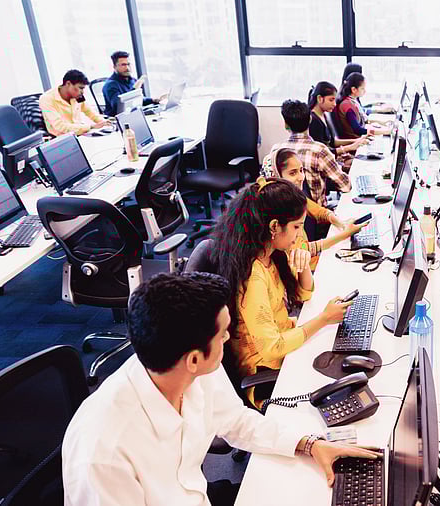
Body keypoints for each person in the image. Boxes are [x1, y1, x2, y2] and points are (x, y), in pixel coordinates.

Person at [61, 272, 379, 506]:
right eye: (224, 334)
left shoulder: (190, 372)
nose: (229, 340)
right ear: (195, 358)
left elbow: (236, 421)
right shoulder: (102, 453)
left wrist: (310, 445)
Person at [211, 178, 353, 408]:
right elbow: (272, 348)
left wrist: (304, 265)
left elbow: (303, 295)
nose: (300, 234)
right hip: (267, 373)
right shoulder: (253, 275)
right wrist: (324, 319)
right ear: (275, 226)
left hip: (285, 345)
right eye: (297, 226)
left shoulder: (270, 252)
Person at [268, 148, 369, 271]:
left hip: (310, 261)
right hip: (301, 269)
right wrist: (345, 234)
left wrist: (341, 224)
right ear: (277, 175)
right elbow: (304, 249)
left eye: (301, 170)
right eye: (293, 173)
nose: (301, 177)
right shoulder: (277, 208)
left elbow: (321, 212)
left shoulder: (295, 197)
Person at [262, 100, 351, 207]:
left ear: (285, 124)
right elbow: (345, 186)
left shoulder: (276, 151)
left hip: (287, 216)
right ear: (310, 120)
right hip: (317, 216)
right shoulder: (319, 150)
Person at [308, 81, 369, 165]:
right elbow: (322, 153)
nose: (334, 104)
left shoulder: (324, 115)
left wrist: (357, 141)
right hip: (324, 163)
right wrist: (349, 147)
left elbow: (333, 142)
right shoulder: (314, 121)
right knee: (361, 163)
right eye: (331, 100)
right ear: (319, 99)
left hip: (332, 158)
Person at [39, 69, 109, 136]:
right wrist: (91, 127)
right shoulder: (47, 99)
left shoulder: (77, 96)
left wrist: (104, 123)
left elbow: (90, 112)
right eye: (80, 88)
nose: (82, 92)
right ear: (68, 84)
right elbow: (59, 126)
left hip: (81, 133)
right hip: (62, 138)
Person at [101, 50, 161, 117]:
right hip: (119, 120)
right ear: (114, 67)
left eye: (128, 64)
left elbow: (139, 100)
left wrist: (154, 100)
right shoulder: (110, 85)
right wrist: (134, 89)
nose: (127, 68)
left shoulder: (132, 80)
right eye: (123, 65)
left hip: (134, 115)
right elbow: (119, 108)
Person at [334, 73, 390, 139]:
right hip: (355, 141)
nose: (365, 91)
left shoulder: (352, 101)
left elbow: (362, 120)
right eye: (362, 88)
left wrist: (382, 123)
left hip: (359, 138)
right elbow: (358, 130)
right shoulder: (347, 106)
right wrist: (384, 132)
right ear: (354, 90)